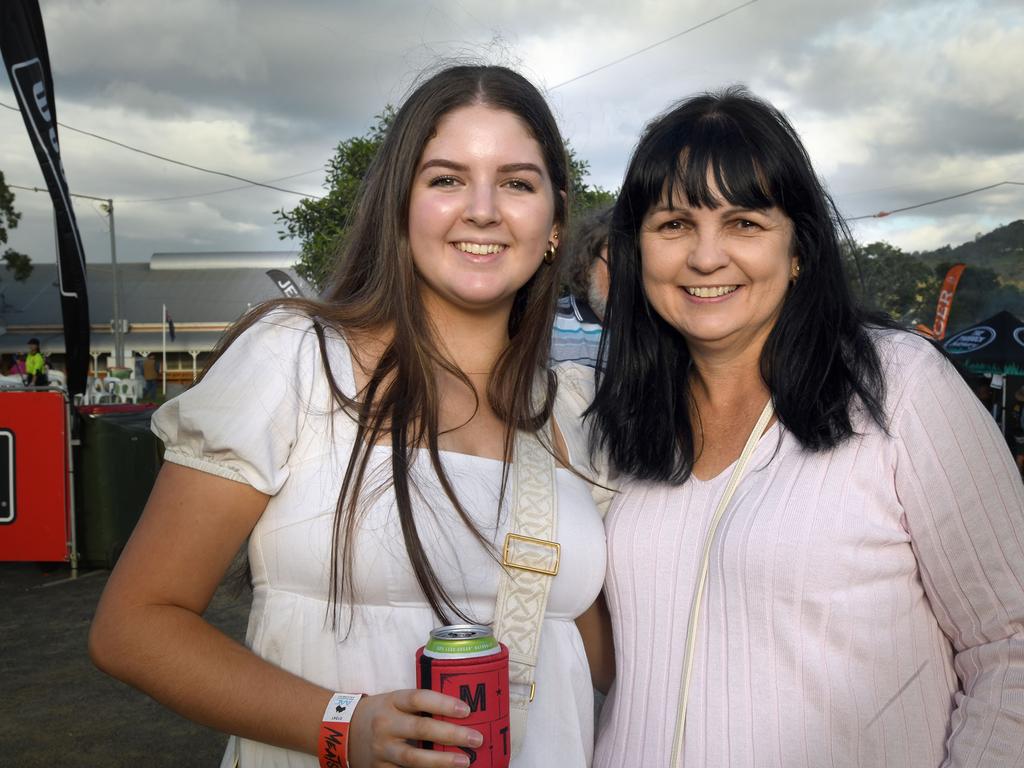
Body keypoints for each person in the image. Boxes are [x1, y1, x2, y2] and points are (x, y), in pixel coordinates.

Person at [90, 65, 612, 768]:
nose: (483, 209)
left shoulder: (570, 413)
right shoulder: (295, 362)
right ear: (400, 204)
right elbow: (134, 625)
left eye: (517, 182)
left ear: (554, 222)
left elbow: (600, 656)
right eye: (446, 179)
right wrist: (342, 724)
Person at [588, 87, 1024, 767]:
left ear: (798, 250)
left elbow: (1010, 644)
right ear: (637, 251)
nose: (706, 257)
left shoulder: (896, 386)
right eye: (674, 224)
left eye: (744, 223)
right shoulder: (626, 416)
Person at [551, 205, 613, 367]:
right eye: (616, 263)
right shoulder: (546, 325)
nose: (627, 275)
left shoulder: (658, 333)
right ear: (588, 263)